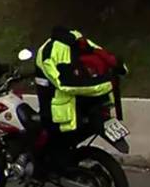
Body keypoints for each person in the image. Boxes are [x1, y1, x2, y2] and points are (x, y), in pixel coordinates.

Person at [34, 26, 120, 173]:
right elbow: (115, 62)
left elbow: (65, 84)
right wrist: (109, 83)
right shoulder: (83, 42)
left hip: (64, 116)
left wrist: (103, 85)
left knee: (47, 140)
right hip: (98, 106)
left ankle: (46, 170)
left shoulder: (48, 51)